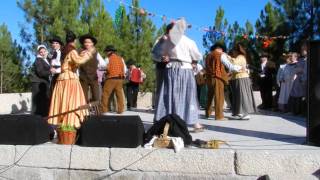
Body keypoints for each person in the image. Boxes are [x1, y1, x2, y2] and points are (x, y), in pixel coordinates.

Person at [153, 18, 204, 131]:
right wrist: (194, 62)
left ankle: (168, 121)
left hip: (172, 69)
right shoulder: (189, 41)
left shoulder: (165, 40)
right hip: (184, 69)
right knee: (188, 96)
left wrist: (162, 56)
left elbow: (155, 53)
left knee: (170, 95)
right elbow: (197, 56)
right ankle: (193, 123)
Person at [48, 31, 95, 129]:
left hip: (61, 78)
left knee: (63, 101)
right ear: (75, 40)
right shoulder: (71, 50)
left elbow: (70, 62)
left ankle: (61, 123)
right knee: (72, 101)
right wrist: (89, 54)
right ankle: (71, 123)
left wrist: (81, 54)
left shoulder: (64, 50)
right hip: (69, 78)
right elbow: (79, 61)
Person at [204, 42, 244, 120]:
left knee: (209, 96)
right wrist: (240, 68)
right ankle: (219, 116)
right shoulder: (220, 55)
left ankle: (207, 113)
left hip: (209, 78)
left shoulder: (208, 55)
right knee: (219, 97)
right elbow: (229, 66)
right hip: (218, 77)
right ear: (221, 49)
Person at [229, 43, 256, 120]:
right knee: (238, 96)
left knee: (243, 95)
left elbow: (234, 64)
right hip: (238, 78)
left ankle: (246, 113)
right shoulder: (239, 57)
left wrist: (227, 57)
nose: (232, 53)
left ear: (236, 51)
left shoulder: (240, 57)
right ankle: (240, 112)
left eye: (233, 51)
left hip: (242, 78)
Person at [78, 34, 106, 103]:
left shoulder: (96, 53)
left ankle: (97, 112)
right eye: (85, 42)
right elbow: (76, 63)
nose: (87, 44)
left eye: (89, 42)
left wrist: (96, 66)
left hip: (93, 77)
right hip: (83, 77)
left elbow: (103, 64)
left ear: (92, 44)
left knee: (96, 96)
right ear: (83, 43)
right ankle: (84, 112)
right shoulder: (80, 52)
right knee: (83, 96)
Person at [100, 45, 127, 114]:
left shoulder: (107, 59)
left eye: (106, 51)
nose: (106, 53)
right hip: (120, 79)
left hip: (111, 78)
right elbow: (125, 69)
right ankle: (120, 110)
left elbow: (103, 67)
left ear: (109, 52)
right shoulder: (121, 58)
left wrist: (102, 70)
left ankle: (103, 110)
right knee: (119, 95)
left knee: (105, 94)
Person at [30, 45, 53, 117]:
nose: (43, 53)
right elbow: (40, 72)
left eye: (44, 51)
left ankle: (42, 118)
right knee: (37, 102)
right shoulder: (38, 60)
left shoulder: (45, 59)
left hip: (43, 83)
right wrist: (50, 71)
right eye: (41, 52)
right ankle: (35, 119)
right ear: (38, 53)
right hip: (38, 82)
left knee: (43, 101)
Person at [289, 46, 307, 115]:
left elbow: (304, 70)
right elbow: (296, 69)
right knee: (297, 96)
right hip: (299, 80)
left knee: (303, 96)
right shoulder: (301, 60)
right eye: (302, 49)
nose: (302, 51)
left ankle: (303, 111)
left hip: (304, 80)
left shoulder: (309, 59)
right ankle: (297, 111)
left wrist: (300, 72)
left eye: (304, 49)